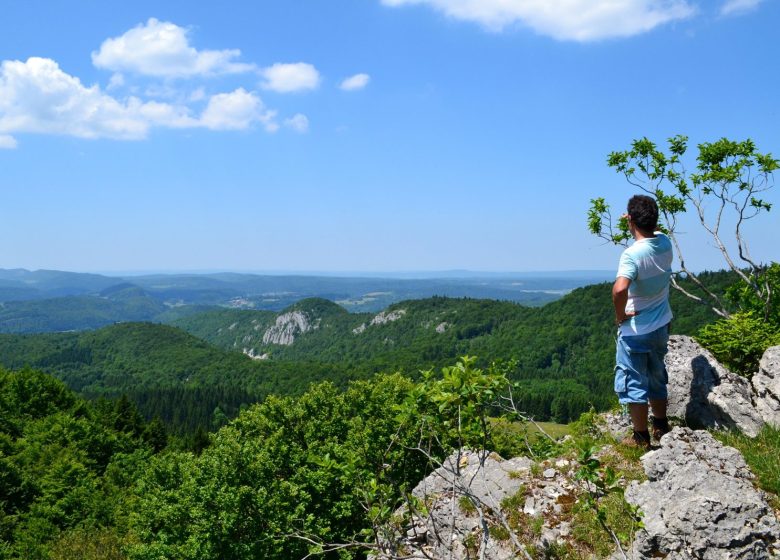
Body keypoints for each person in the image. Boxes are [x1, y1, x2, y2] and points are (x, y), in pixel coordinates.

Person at [613, 195, 673, 449]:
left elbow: (619, 289)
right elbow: (653, 230)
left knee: (634, 380)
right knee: (657, 374)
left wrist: (621, 315)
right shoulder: (665, 243)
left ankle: (640, 438)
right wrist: (636, 219)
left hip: (636, 330)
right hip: (662, 324)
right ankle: (660, 425)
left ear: (631, 219)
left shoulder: (631, 254)